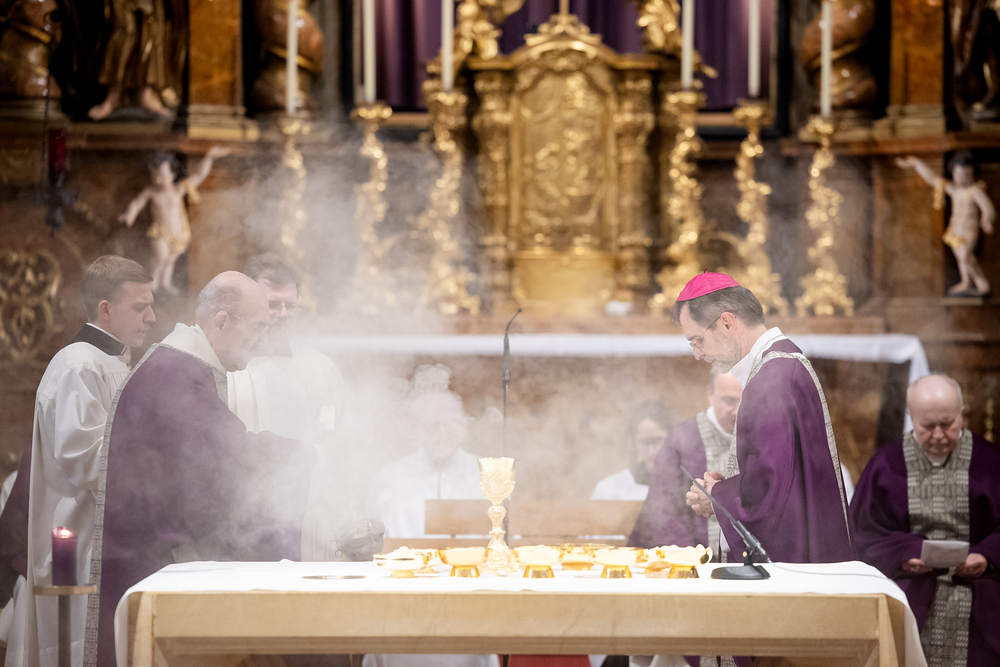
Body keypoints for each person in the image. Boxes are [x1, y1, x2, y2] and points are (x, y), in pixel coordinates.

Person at [84, 272, 322, 667]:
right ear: (222, 321)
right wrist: (309, 456)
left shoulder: (178, 366)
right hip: (154, 567)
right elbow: (224, 466)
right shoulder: (175, 375)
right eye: (258, 327)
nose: (263, 339)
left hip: (155, 557)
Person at [4, 256, 155, 667]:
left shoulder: (110, 360)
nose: (151, 317)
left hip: (102, 539)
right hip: (79, 542)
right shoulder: (79, 365)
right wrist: (157, 456)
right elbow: (86, 460)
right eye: (139, 307)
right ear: (105, 309)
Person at [678, 273, 852, 564]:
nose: (697, 354)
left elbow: (772, 495)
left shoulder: (773, 379)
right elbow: (784, 476)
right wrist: (725, 490)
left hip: (791, 565)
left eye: (698, 340)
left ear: (726, 323)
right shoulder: (779, 366)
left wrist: (718, 495)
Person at [229, 254, 380, 561]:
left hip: (313, 515)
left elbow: (355, 436)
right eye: (273, 305)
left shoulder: (320, 368)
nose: (283, 314)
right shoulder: (229, 368)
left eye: (291, 305)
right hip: (246, 516)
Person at [851, 374, 1000, 667]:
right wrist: (904, 554)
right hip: (911, 587)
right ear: (911, 416)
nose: (939, 435)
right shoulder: (886, 464)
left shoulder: (989, 461)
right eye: (927, 426)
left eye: (948, 424)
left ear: (961, 413)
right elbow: (863, 534)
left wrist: (986, 556)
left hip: (977, 589)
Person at [364, 364, 500, 667]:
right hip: (403, 605)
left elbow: (503, 543)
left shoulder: (487, 475)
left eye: (449, 422)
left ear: (464, 425)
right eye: (432, 424)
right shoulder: (390, 478)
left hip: (470, 603)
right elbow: (371, 548)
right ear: (416, 429)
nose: (442, 432)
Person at [629, 373, 742, 554]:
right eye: (729, 401)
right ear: (710, 394)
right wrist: (692, 560)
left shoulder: (760, 435)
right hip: (695, 558)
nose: (737, 411)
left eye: (744, 401)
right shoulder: (681, 439)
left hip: (750, 559)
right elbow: (664, 511)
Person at [119, 147, 230, 295]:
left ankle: (165, 283)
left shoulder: (178, 189)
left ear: (172, 175)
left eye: (162, 175)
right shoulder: (151, 191)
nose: (158, 180)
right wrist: (130, 215)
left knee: (169, 261)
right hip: (161, 232)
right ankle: (152, 283)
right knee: (161, 258)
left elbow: (199, 175)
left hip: (178, 233)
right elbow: (138, 202)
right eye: (154, 175)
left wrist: (209, 157)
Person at [896, 152, 995, 296]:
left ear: (973, 174)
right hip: (955, 230)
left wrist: (987, 219)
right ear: (953, 173)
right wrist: (917, 163)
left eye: (967, 175)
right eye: (960, 174)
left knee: (966, 256)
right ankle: (968, 282)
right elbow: (933, 179)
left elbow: (987, 207)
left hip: (969, 231)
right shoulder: (953, 189)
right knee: (962, 258)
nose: (963, 178)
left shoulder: (975, 191)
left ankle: (982, 284)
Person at [591, 401, 675, 501]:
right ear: (634, 443)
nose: (651, 451)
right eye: (644, 442)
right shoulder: (609, 490)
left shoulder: (687, 489)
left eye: (658, 441)